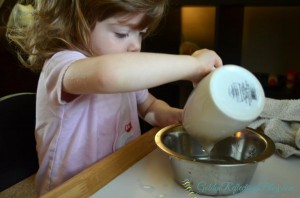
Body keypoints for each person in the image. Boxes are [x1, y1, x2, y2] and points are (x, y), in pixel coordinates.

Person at [7, 0, 222, 196]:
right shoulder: (63, 65)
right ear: (76, 23)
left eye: (141, 33)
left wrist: (174, 116)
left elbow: (148, 105)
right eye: (122, 33)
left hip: (119, 173)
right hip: (72, 189)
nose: (136, 45)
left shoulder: (124, 70)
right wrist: (192, 65)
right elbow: (108, 75)